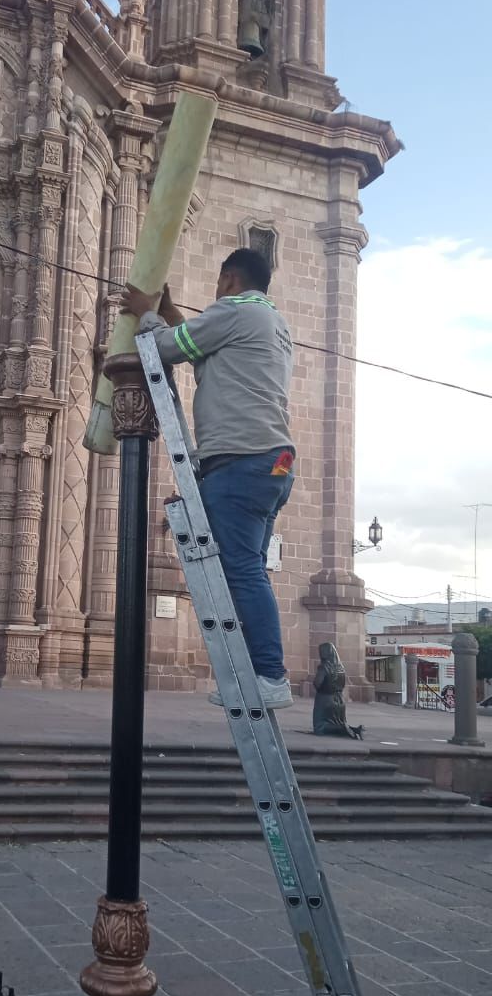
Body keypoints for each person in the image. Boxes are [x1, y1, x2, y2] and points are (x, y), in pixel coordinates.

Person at [120, 247, 295, 710]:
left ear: (230, 280)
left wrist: (144, 315)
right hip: (273, 462)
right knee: (250, 570)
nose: (215, 294)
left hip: (241, 459)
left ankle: (269, 676)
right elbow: (198, 347)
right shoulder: (269, 320)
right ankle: (260, 671)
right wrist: (168, 312)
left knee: (238, 570)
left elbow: (165, 348)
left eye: (219, 286)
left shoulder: (233, 311)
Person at [312, 643, 363, 740]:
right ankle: (354, 729)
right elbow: (343, 684)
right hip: (340, 700)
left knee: (320, 727)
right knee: (337, 721)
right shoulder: (341, 668)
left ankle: (343, 728)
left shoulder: (324, 667)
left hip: (325, 699)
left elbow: (317, 683)